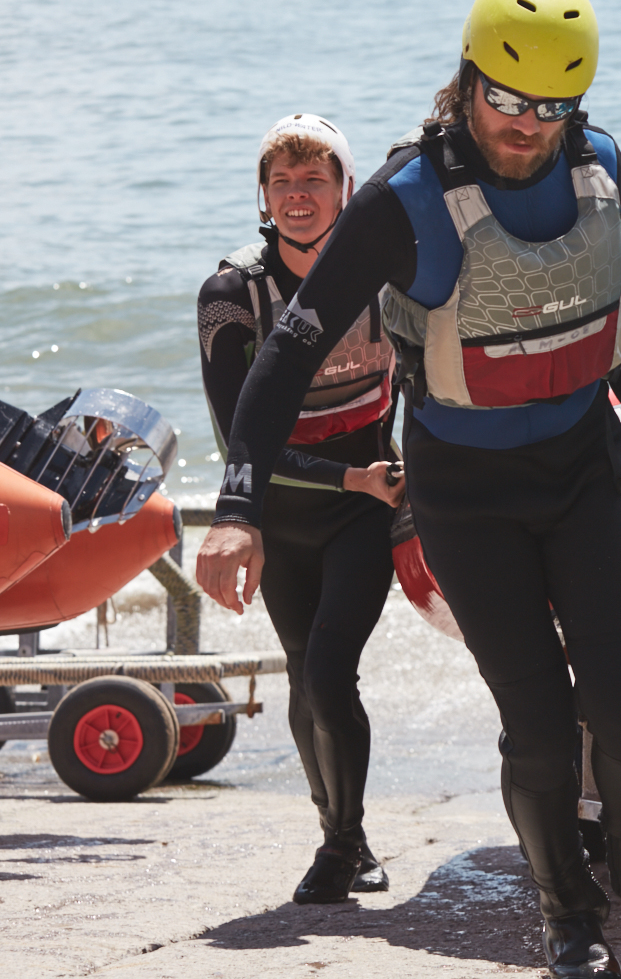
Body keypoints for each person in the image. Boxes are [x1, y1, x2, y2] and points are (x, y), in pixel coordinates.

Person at [197, 0, 621, 979]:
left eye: (554, 104)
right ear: (469, 77)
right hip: (465, 492)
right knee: (533, 719)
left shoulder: (601, 163)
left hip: (579, 469)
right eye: (509, 98)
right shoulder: (405, 197)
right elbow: (289, 347)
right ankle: (568, 915)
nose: (530, 124)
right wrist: (237, 506)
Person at [196, 114, 404, 904]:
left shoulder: (388, 281)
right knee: (302, 679)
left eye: (313, 179)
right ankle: (341, 833)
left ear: (346, 188)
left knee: (329, 670)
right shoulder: (232, 296)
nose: (296, 195)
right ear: (263, 195)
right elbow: (242, 441)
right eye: (281, 181)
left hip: (365, 508)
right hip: (283, 511)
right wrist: (348, 479)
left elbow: (426, 384)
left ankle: (340, 848)